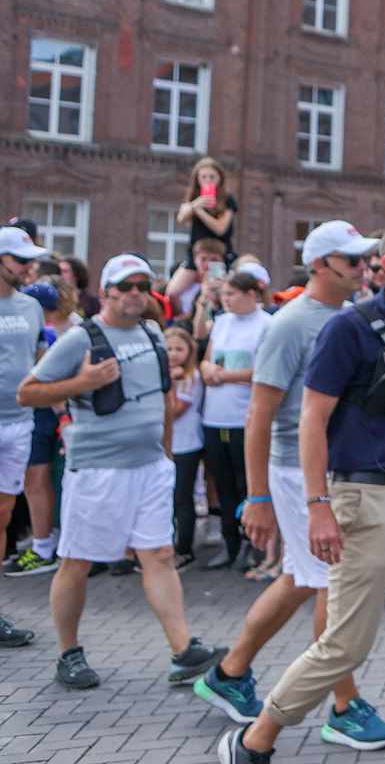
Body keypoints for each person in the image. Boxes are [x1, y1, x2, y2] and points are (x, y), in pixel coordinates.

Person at [218, 222, 385, 764]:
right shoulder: (348, 329)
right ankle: (256, 739)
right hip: (361, 497)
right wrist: (317, 505)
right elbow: (310, 420)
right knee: (346, 643)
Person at [193, 220, 385, 750]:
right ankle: (343, 705)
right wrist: (258, 496)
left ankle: (230, 671)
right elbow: (259, 416)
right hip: (294, 469)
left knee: (304, 579)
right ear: (319, 265)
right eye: (351, 260)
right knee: (331, 582)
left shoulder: (351, 316)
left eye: (364, 259)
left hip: (328, 466)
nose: (363, 267)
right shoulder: (289, 324)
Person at [19, 254, 225, 689]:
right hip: (97, 469)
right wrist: (82, 384)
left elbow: (164, 399)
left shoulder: (152, 334)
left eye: (142, 286)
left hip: (149, 468)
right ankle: (68, 653)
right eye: (126, 286)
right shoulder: (81, 339)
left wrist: (165, 456)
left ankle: (183, 648)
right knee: (77, 562)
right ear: (108, 291)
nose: (135, 293)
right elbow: (29, 392)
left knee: (159, 555)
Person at [199, 265, 273, 571]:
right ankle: (229, 544)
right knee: (223, 484)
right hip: (215, 417)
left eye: (231, 294)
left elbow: (267, 372)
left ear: (251, 294)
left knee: (247, 484)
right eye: (223, 294)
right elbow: (206, 360)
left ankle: (252, 545)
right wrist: (207, 370)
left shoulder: (267, 325)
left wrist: (227, 376)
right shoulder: (221, 323)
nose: (225, 299)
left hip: (245, 416)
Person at [0, 225, 47, 643]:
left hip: (18, 422)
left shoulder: (31, 307)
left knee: (2, 517)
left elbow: (37, 359)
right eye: (20, 260)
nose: (29, 267)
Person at [166, 156, 239, 308]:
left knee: (214, 295)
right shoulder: (194, 199)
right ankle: (184, 319)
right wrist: (194, 205)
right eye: (203, 177)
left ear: (220, 178)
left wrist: (200, 212)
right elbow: (181, 218)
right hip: (196, 256)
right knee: (172, 292)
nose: (208, 180)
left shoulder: (228, 200)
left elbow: (220, 228)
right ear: (197, 179)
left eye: (212, 177)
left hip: (218, 256)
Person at [166, 325, 205, 570]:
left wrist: (169, 385)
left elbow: (174, 412)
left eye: (179, 349)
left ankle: (185, 548)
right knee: (168, 498)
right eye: (168, 348)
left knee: (182, 497)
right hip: (168, 445)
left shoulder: (192, 377)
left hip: (186, 444)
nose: (173, 354)